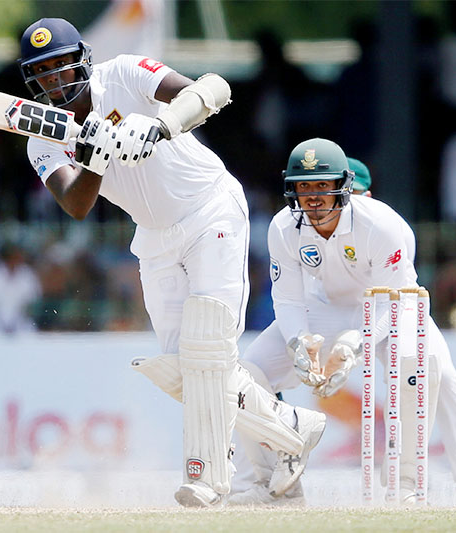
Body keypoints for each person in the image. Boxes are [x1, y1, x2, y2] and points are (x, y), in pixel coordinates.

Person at [16, 18, 327, 508]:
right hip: (155, 237)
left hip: (210, 210)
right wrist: (95, 154)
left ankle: (209, 479)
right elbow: (76, 205)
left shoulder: (122, 74)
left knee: (209, 349)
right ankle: (291, 428)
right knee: (184, 369)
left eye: (61, 66)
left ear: (83, 59)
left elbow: (214, 88)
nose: (55, 80)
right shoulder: (42, 133)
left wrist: (159, 125)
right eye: (43, 72)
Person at [229, 139, 456, 507]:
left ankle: (433, 484)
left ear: (345, 188)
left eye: (323, 186)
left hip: (395, 305)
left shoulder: (383, 224)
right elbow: (287, 298)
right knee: (245, 370)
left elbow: (392, 297)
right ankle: (272, 484)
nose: (314, 198)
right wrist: (298, 342)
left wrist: (358, 344)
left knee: (431, 369)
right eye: (305, 187)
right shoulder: (283, 226)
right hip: (327, 307)